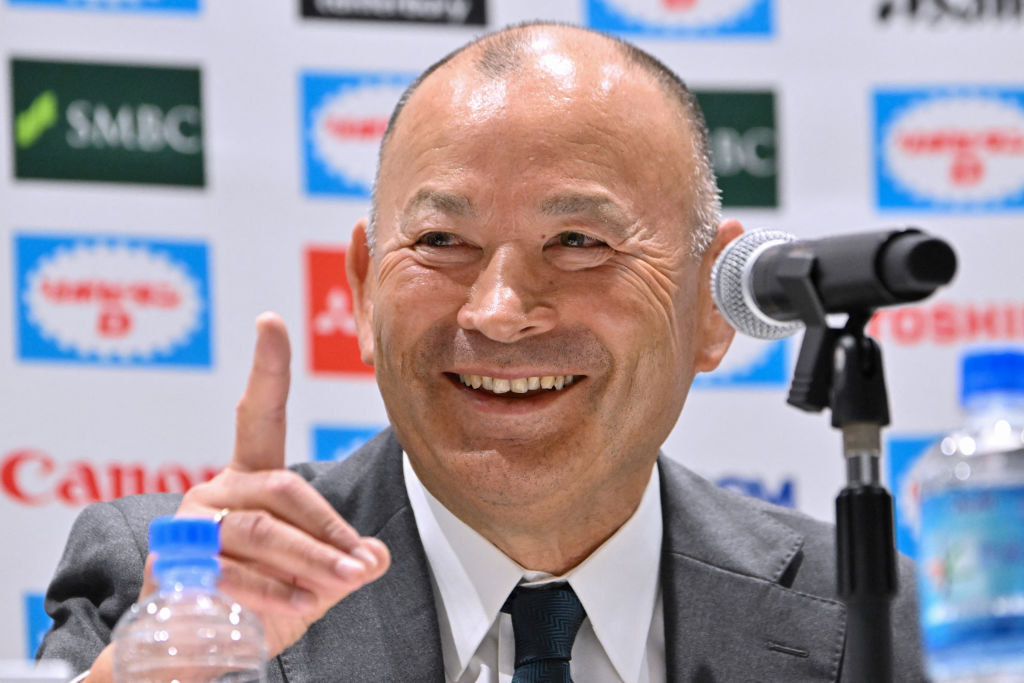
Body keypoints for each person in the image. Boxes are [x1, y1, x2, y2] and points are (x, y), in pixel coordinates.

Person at [37, 21, 925, 682]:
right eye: (441, 242)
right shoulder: (167, 584)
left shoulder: (875, 620)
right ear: (364, 287)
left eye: (579, 241)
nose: (500, 312)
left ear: (712, 302)